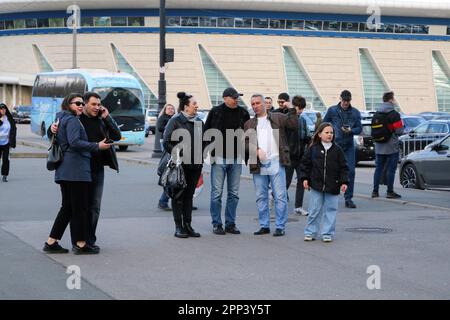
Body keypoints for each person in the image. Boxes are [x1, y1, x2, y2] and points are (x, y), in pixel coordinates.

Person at [50, 92, 121, 250]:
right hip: (79, 169)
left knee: (93, 207)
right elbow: (62, 136)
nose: (96, 107)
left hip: (96, 168)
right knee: (78, 207)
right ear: (85, 104)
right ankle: (79, 242)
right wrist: (51, 128)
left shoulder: (101, 120)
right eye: (93, 104)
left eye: (98, 105)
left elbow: (117, 135)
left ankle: (88, 240)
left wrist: (107, 117)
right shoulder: (76, 118)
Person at [244, 94, 298, 236]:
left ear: (264, 104)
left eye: (257, 103)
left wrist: (291, 108)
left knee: (280, 196)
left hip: (276, 161)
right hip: (259, 164)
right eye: (253, 104)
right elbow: (244, 143)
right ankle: (264, 225)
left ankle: (280, 226)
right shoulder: (249, 124)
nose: (255, 106)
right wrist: (255, 150)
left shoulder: (277, 117)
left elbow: (294, 124)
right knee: (261, 196)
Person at [204, 87, 250, 235]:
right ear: (225, 98)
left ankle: (230, 223)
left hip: (236, 158)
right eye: (234, 97)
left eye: (237, 97)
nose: (237, 99)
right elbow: (206, 131)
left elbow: (249, 133)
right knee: (217, 193)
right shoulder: (215, 111)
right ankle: (217, 223)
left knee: (234, 193)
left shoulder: (243, 113)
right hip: (219, 157)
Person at [163, 92, 204, 238]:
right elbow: (166, 142)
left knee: (189, 196)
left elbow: (203, 142)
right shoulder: (175, 121)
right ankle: (178, 227)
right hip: (180, 166)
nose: (197, 106)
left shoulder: (199, 122)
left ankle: (188, 225)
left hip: (195, 165)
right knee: (178, 196)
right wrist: (178, 155)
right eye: (194, 104)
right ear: (186, 107)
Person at [301, 122, 349, 243]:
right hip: (316, 185)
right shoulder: (313, 149)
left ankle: (327, 233)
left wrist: (344, 182)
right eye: (326, 132)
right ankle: (310, 232)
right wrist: (305, 178)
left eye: (331, 132)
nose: (329, 135)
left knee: (331, 210)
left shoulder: (337, 150)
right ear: (319, 134)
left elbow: (344, 167)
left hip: (333, 185)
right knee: (314, 210)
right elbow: (305, 165)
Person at [323, 90, 361, 208]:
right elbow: (324, 124)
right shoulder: (332, 110)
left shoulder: (355, 112)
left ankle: (348, 198)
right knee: (332, 171)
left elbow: (359, 128)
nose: (345, 103)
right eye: (344, 100)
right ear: (340, 99)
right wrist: (329, 133)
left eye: (347, 101)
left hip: (348, 145)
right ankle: (329, 195)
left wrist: (351, 131)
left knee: (351, 171)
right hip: (335, 144)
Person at [372, 91, 404, 199]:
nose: (394, 101)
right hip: (391, 146)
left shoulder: (377, 113)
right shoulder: (394, 114)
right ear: (390, 100)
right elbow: (399, 131)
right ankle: (390, 192)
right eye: (393, 98)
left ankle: (375, 191)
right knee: (391, 170)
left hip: (379, 146)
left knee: (378, 169)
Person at [289, 95, 311, 215]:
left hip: (300, 156)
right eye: (299, 108)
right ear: (294, 106)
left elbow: (306, 136)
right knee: (285, 182)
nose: (301, 111)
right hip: (289, 156)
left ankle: (298, 206)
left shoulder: (302, 120)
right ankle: (274, 196)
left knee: (302, 181)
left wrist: (310, 140)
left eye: (302, 108)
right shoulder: (288, 118)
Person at [156, 103, 176, 211]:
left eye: (172, 108)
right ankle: (163, 201)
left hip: (175, 146)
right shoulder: (163, 118)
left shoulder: (175, 118)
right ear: (165, 110)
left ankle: (166, 201)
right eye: (168, 108)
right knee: (171, 175)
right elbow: (159, 128)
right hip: (167, 143)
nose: (170, 110)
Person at [0, 103, 16, 182]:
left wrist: (12, 140)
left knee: (5, 159)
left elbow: (13, 128)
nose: (3, 110)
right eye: (1, 109)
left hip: (6, 143)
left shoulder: (9, 118)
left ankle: (4, 175)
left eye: (4, 109)